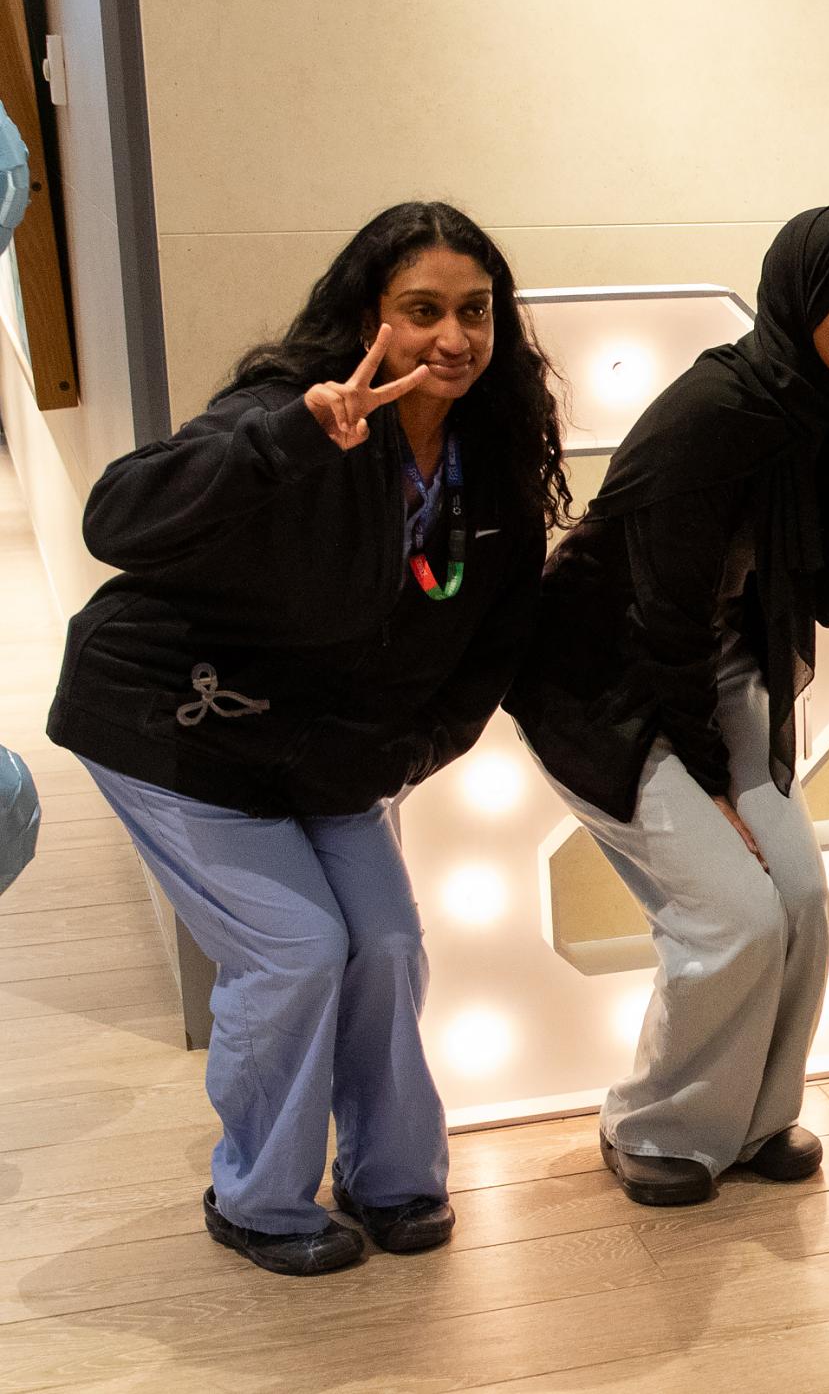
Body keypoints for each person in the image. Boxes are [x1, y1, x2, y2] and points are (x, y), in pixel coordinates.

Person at [48, 202, 568, 1274]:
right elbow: (117, 519)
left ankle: (391, 1176)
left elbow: (493, 642)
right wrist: (284, 440)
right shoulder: (289, 413)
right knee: (293, 951)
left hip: (328, 747)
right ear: (369, 317)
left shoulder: (491, 454)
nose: (453, 338)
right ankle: (259, 1198)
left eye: (475, 311)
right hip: (174, 724)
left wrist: (407, 754)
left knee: (387, 945)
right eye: (421, 310)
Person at [508, 206, 829, 1206]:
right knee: (734, 914)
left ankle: (750, 1120)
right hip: (604, 685)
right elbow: (660, 617)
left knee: (801, 901)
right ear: (798, 296)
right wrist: (713, 788)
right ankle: (650, 1125)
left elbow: (828, 590)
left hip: (718, 666)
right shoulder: (716, 410)